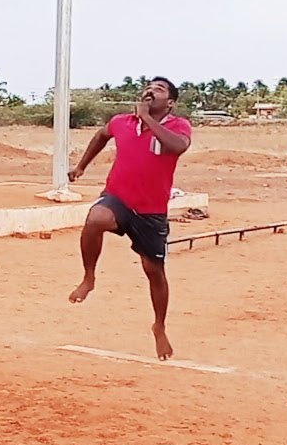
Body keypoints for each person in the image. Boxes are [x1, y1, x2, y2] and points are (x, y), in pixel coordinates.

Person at [67, 77, 193, 361]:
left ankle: (159, 326)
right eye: (149, 86)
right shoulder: (121, 122)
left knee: (154, 271)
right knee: (96, 218)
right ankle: (89, 277)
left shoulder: (178, 126)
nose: (151, 90)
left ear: (170, 102)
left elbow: (177, 147)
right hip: (118, 198)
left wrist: (149, 120)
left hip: (151, 211)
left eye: (159, 89)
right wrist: (81, 166)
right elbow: (101, 135)